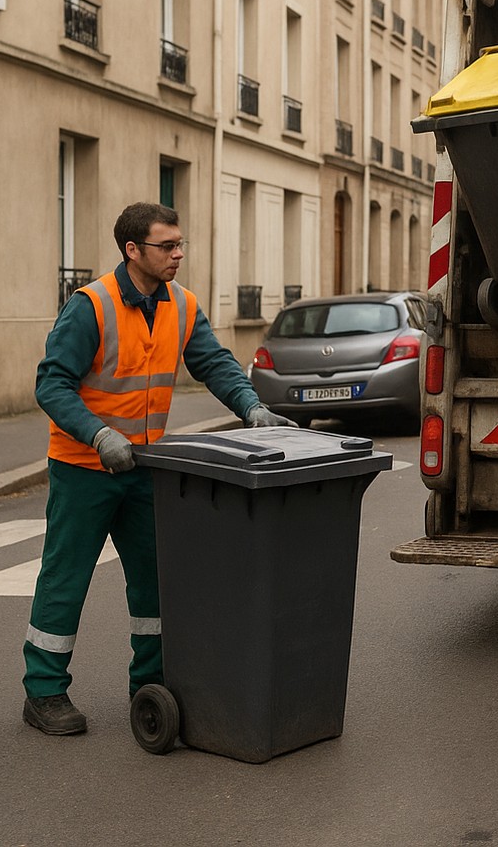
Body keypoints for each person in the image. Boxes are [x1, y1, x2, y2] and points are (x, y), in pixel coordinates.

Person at [21, 201, 292, 736]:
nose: (178, 255)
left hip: (146, 467)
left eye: (179, 244)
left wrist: (251, 407)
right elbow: (51, 384)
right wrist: (99, 434)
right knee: (65, 579)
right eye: (167, 246)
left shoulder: (182, 305)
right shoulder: (90, 306)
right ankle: (44, 692)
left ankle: (149, 684)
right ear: (132, 250)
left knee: (157, 581)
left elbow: (213, 362)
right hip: (83, 468)